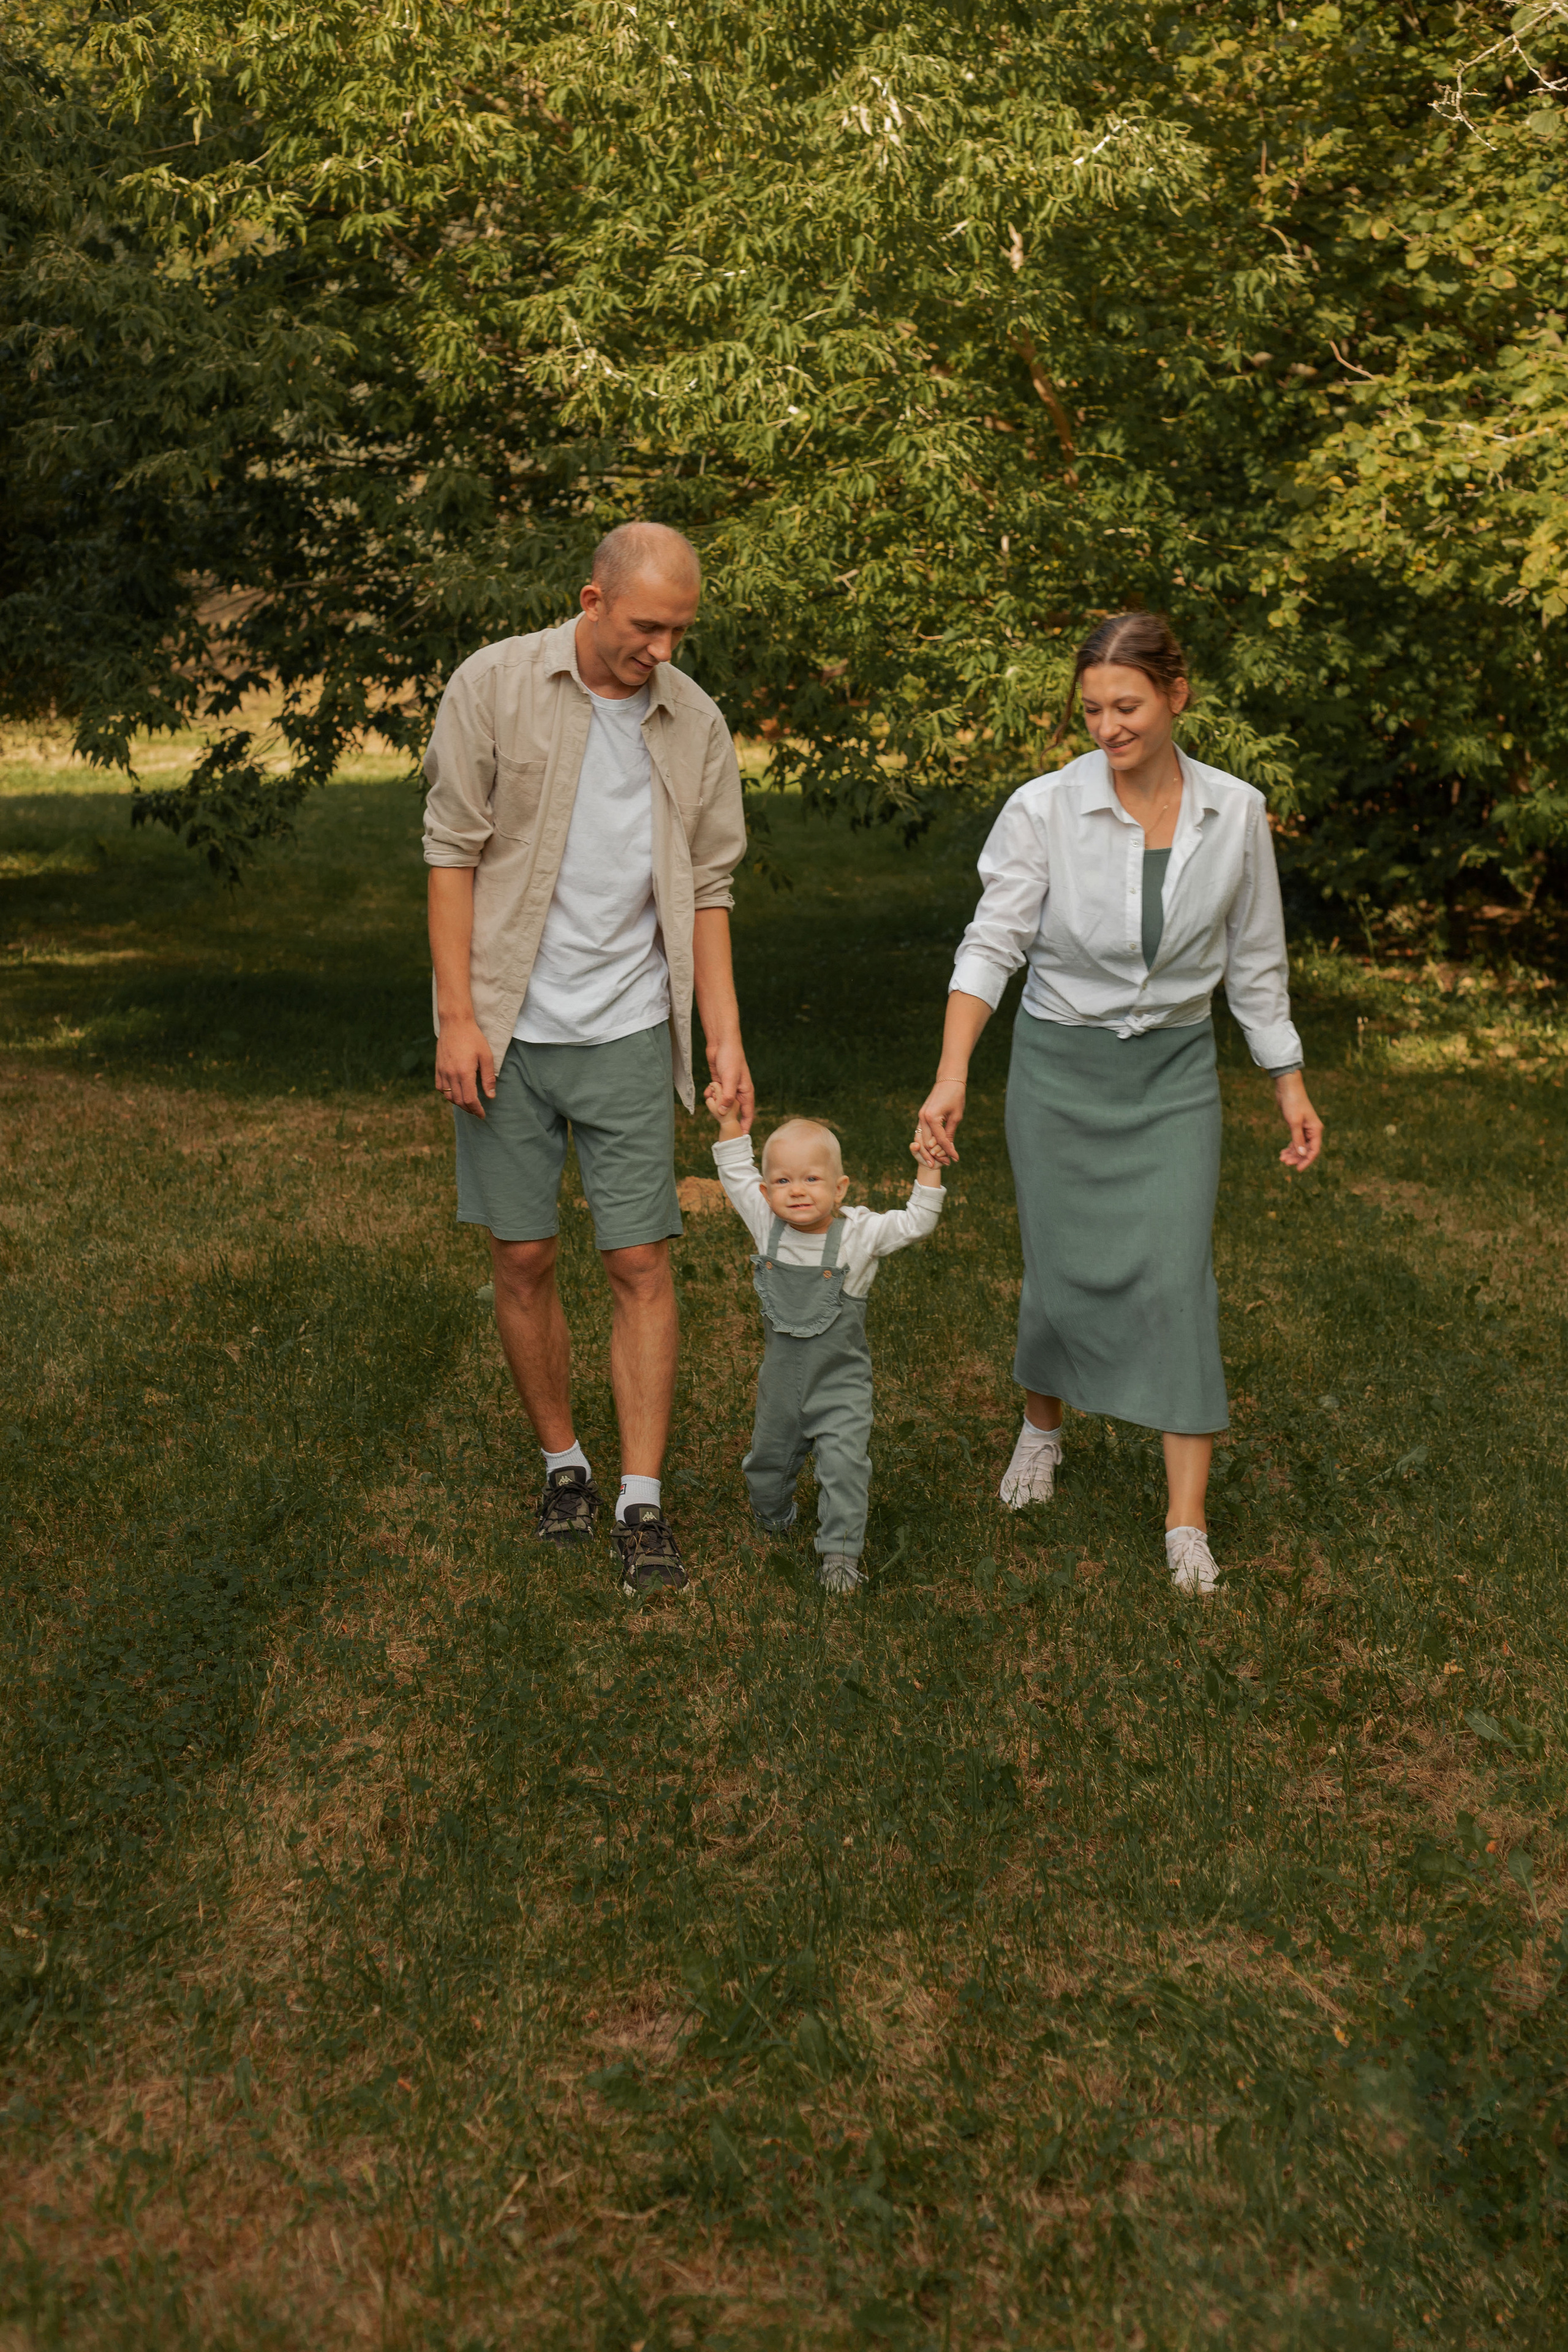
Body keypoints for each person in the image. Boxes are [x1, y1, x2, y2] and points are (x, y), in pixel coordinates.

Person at [916, 611, 1323, 1597]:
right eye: (1092, 708)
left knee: (1177, 1280)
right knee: (1059, 1270)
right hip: (1059, 1069)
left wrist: (1289, 1081)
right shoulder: (1042, 808)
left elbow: (1256, 965)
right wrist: (954, 1070)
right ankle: (1040, 1432)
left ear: (1177, 697)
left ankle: (1186, 1519)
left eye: (1127, 705)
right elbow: (993, 943)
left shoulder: (1236, 812)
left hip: (1175, 1075)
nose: (1107, 726)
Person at [422, 521, 752, 1597]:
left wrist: (723, 1036)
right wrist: (458, 1018)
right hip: (507, 1031)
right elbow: (450, 853)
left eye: (679, 630)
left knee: (639, 1262)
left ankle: (641, 1500)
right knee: (520, 1259)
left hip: (624, 1027)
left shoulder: (693, 719)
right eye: (647, 627)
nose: (662, 650)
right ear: (593, 598)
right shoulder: (495, 685)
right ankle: (565, 1466)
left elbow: (708, 887)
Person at [706, 1095, 945, 1594]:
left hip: (841, 1387)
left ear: (840, 1188)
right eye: (782, 1181)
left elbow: (915, 1223)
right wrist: (729, 1121)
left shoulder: (859, 1235)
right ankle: (774, 1516)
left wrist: (928, 1171)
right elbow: (734, 1173)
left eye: (811, 1179)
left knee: (844, 1469)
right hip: (780, 1389)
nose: (796, 1192)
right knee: (766, 1465)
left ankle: (840, 1556)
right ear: (766, 1190)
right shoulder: (766, 1224)